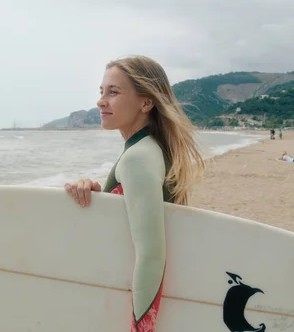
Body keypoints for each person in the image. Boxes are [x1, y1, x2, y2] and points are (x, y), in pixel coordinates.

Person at [64, 55, 205, 332]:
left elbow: (151, 255)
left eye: (113, 92)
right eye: (102, 91)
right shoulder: (150, 150)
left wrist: (141, 328)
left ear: (146, 102)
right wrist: (99, 200)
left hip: (132, 305)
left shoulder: (138, 158)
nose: (101, 101)